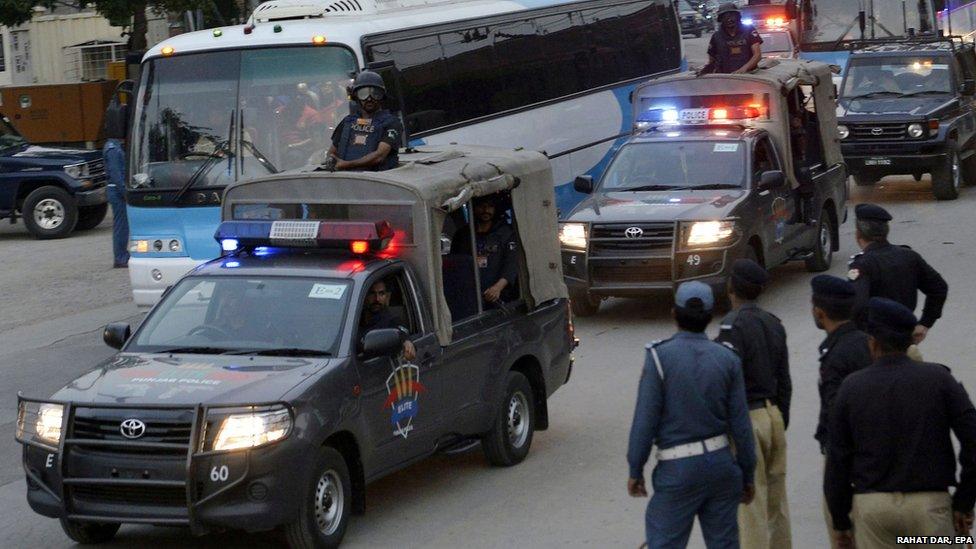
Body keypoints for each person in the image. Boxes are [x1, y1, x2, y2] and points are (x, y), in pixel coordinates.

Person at [825, 297, 976, 549]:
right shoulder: (939, 379)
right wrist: (963, 502)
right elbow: (973, 441)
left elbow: (837, 461)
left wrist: (841, 523)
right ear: (910, 342)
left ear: (872, 343)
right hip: (929, 511)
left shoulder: (851, 388)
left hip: (874, 513)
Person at [627, 281, 756, 548]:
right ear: (710, 316)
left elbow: (645, 422)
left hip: (677, 472)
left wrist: (635, 469)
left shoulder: (659, 357)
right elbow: (741, 426)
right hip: (721, 468)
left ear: (674, 314)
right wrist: (747, 475)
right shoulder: (727, 358)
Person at [716, 259, 791, 549]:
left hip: (747, 419)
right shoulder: (774, 323)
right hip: (774, 416)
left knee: (750, 506)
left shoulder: (731, 326)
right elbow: (785, 381)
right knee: (777, 502)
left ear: (731, 287)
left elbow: (727, 382)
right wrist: (780, 419)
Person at [809, 275, 872, 549]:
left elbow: (837, 421)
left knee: (846, 537)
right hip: (877, 460)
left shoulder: (835, 355)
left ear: (819, 312)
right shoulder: (868, 342)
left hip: (847, 463)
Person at [848, 203, 948, 356]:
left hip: (874, 344)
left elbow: (857, 306)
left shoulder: (862, 264)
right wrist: (925, 323)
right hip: (905, 339)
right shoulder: (909, 256)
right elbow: (939, 288)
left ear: (858, 234)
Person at [321, 71, 402, 172]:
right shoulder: (347, 122)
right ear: (356, 96)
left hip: (378, 181)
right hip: (346, 181)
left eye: (375, 94)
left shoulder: (391, 123)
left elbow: (380, 156)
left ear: (382, 96)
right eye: (363, 94)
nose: (369, 99)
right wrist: (331, 161)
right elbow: (332, 152)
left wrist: (346, 164)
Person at [450, 195, 519, 305]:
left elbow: (511, 265)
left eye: (490, 206)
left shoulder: (506, 233)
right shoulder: (462, 235)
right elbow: (454, 264)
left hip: (498, 297)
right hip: (469, 295)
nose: (486, 210)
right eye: (481, 206)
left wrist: (497, 288)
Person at [359, 279, 416, 361]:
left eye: (381, 294)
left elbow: (402, 333)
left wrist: (407, 342)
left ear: (387, 297)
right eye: (372, 294)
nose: (377, 299)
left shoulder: (391, 320)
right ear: (364, 296)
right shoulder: (352, 319)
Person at [699, 3, 763, 75]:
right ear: (721, 19)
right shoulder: (716, 36)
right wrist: (705, 71)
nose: (729, 19)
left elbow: (757, 55)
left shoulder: (749, 30)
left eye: (732, 16)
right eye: (725, 17)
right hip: (726, 78)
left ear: (737, 17)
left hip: (749, 75)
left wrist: (743, 69)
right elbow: (712, 61)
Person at [102, 107, 128, 268]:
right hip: (116, 190)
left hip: (115, 189)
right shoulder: (113, 148)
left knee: (122, 224)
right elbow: (116, 174)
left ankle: (121, 253)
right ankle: (120, 256)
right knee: (120, 225)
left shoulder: (113, 145)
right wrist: (125, 192)